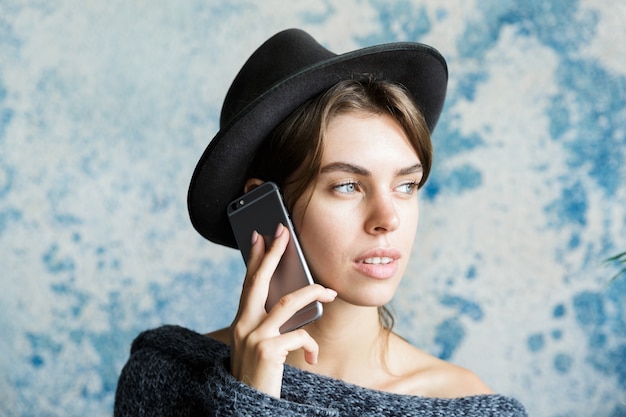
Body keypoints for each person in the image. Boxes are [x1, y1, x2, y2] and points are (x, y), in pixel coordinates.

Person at [114, 28, 528, 416]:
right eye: (347, 185)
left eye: (406, 185)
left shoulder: (470, 407)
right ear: (263, 204)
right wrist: (251, 396)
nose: (388, 219)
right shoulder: (166, 375)